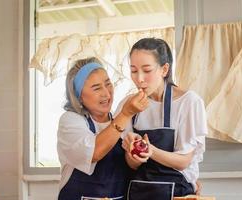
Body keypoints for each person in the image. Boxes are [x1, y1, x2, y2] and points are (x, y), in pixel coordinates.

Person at [116, 38, 208, 199]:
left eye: (147, 70)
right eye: (134, 70)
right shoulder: (128, 105)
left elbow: (183, 161)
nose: (139, 78)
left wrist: (150, 150)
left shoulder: (189, 102)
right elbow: (131, 165)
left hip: (177, 193)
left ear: (164, 69)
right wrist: (133, 153)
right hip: (138, 192)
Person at [57, 57, 148, 200]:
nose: (106, 93)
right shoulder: (70, 121)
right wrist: (126, 113)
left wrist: (135, 157)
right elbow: (94, 153)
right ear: (79, 96)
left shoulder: (123, 121)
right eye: (97, 88)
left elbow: (131, 166)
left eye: (108, 84)